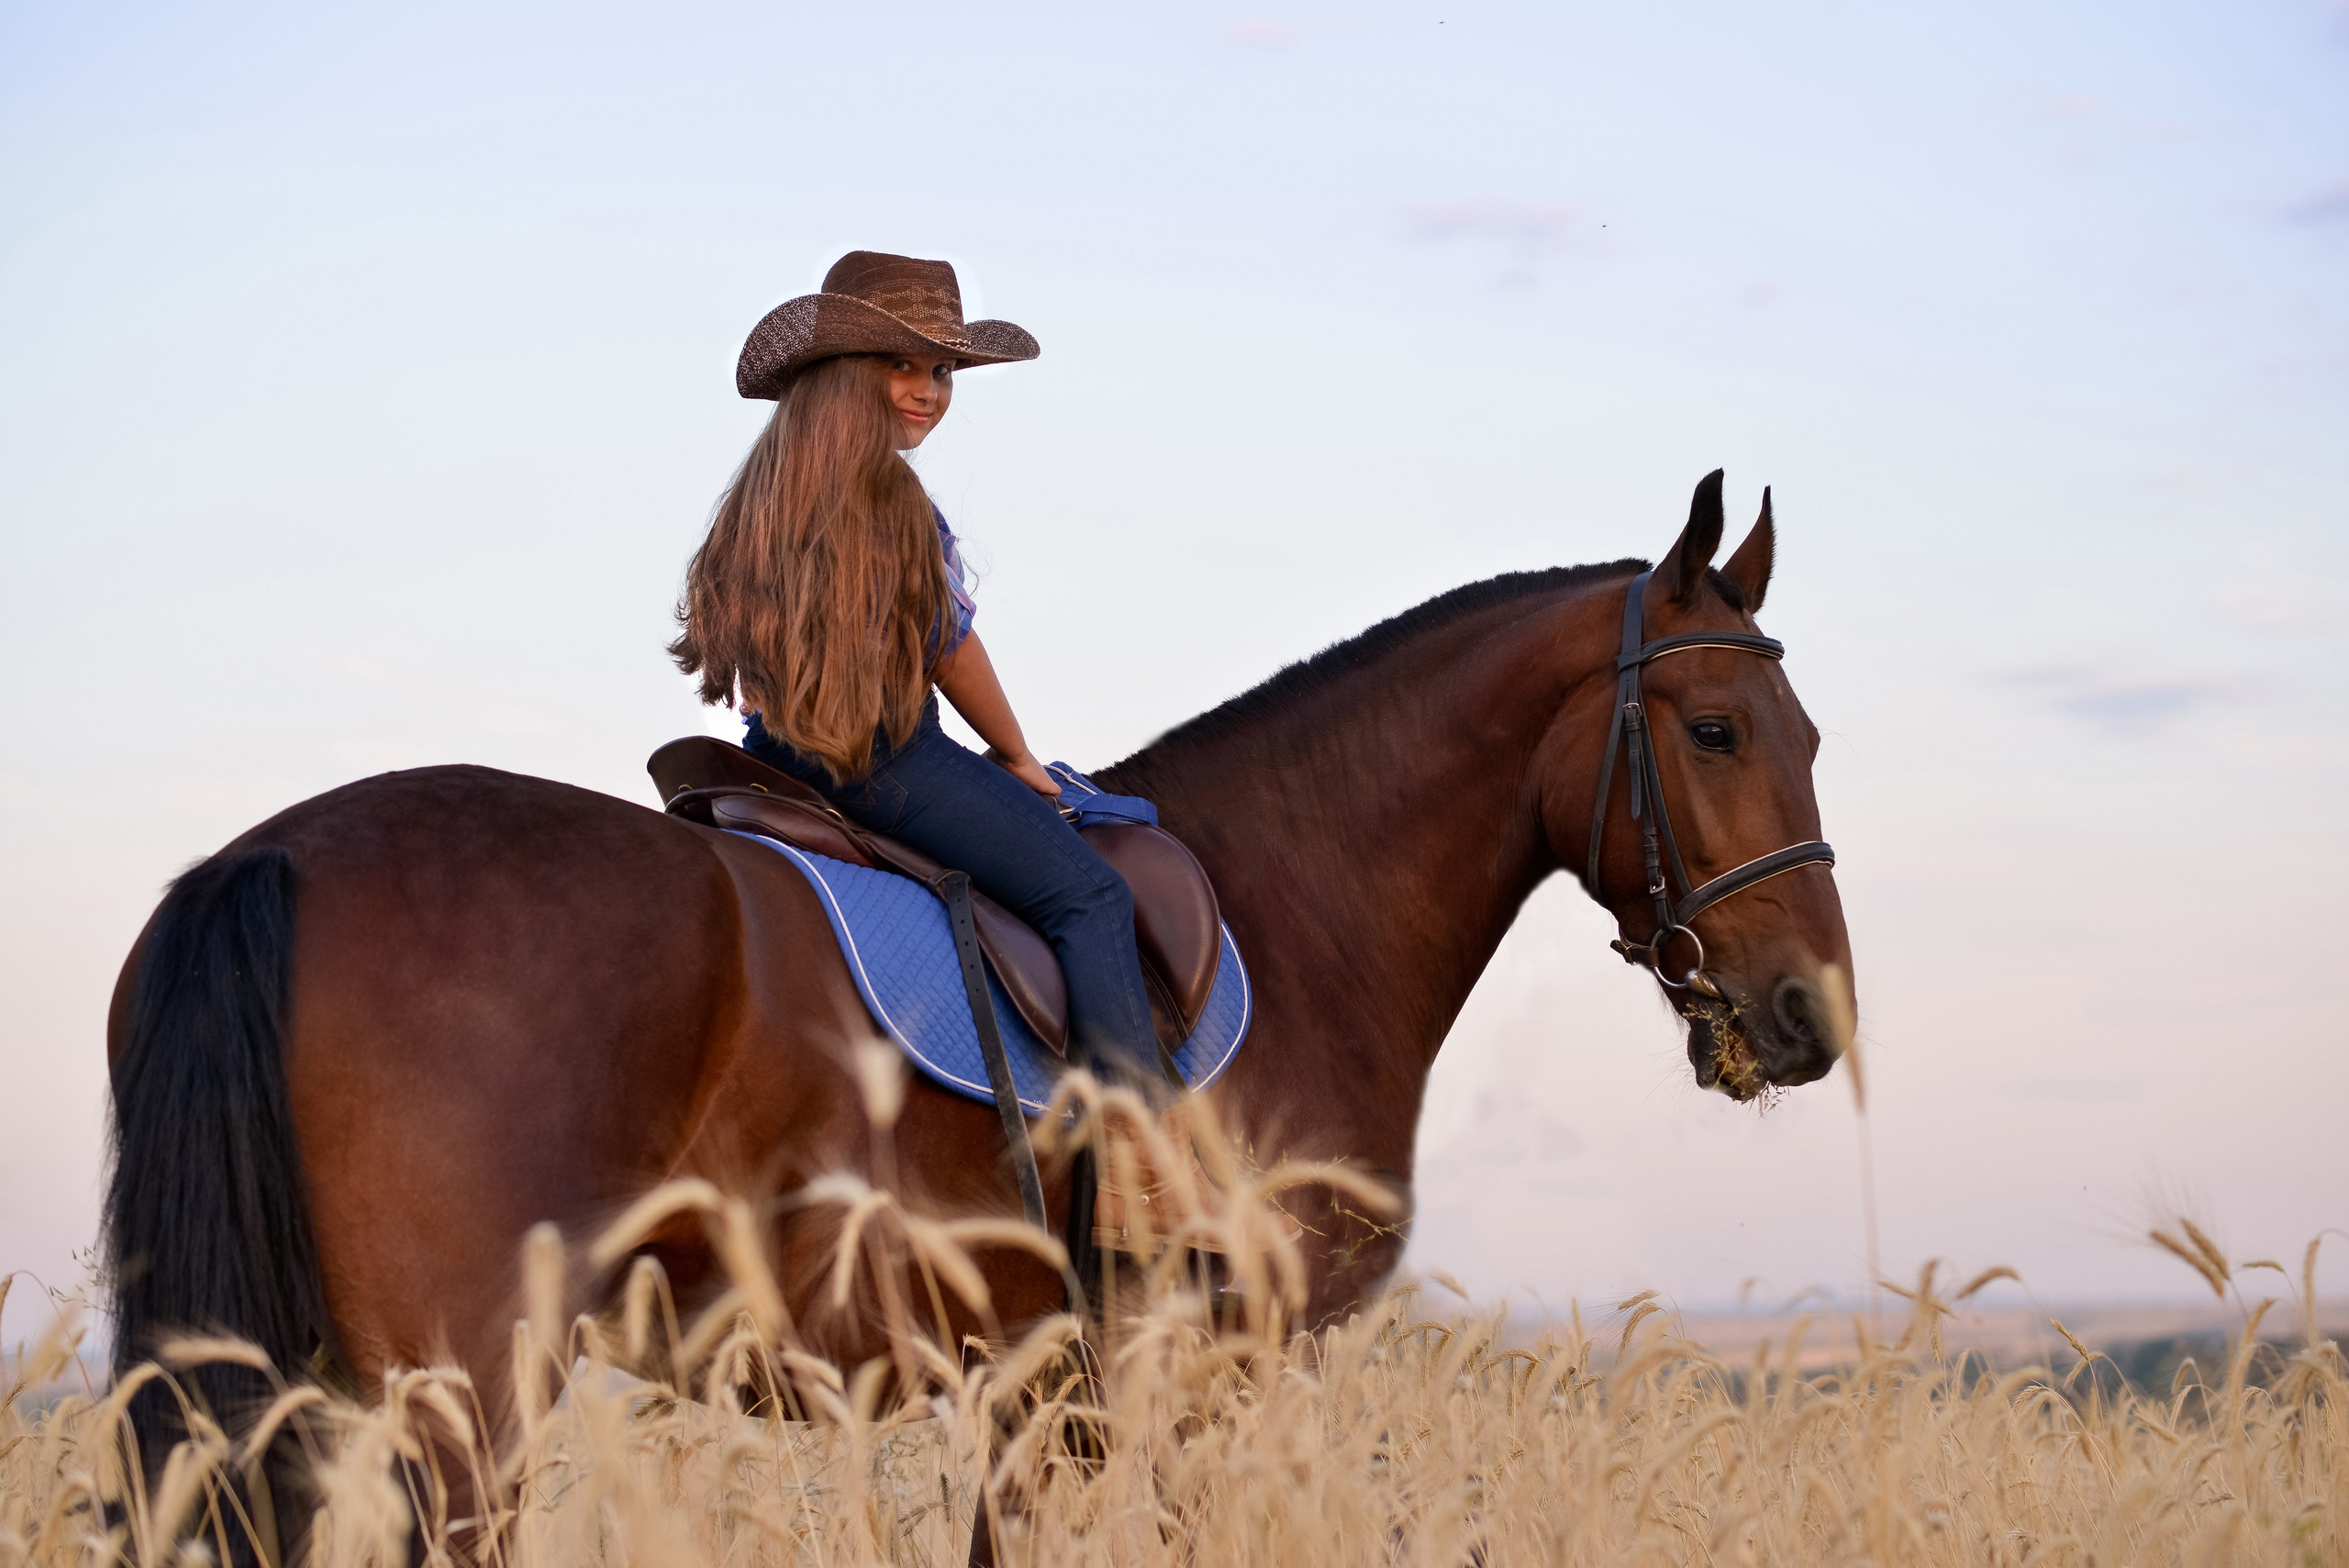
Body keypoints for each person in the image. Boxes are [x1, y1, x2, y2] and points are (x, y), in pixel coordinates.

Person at [670, 250, 1163, 1088]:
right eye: (900, 365)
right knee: (1091, 898)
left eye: (941, 370)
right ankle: (1136, 1154)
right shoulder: (893, 501)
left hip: (776, 753)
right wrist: (1013, 756)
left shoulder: (758, 496)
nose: (927, 390)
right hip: (888, 762)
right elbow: (948, 648)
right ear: (840, 372)